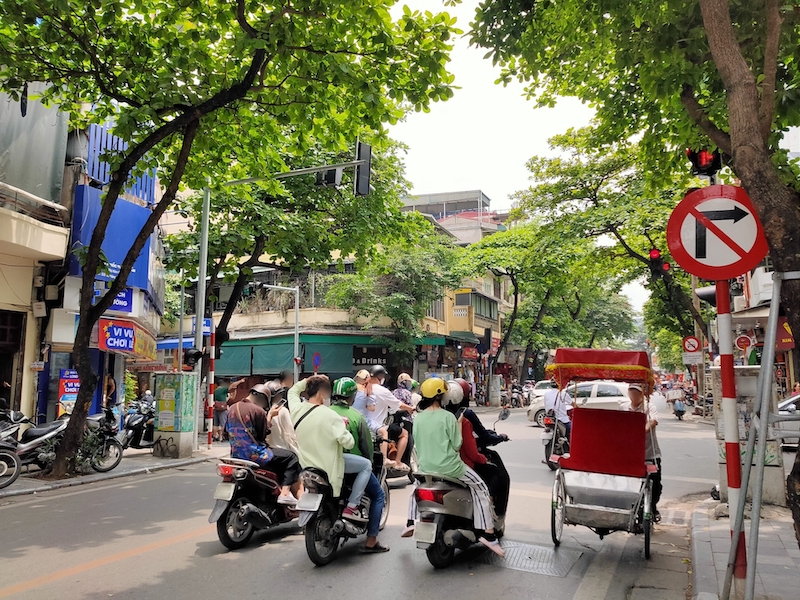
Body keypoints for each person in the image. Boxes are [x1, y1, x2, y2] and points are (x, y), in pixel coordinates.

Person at [402, 377, 504, 557]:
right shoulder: (448, 417)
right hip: (451, 468)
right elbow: (457, 445)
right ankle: (488, 533)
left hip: (425, 467)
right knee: (481, 488)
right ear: (441, 395)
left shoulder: (417, 418)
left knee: (416, 488)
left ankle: (410, 522)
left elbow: (417, 442)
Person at [288, 375, 370, 522]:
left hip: (306, 467)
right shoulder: (331, 416)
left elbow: (292, 391)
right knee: (366, 465)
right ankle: (352, 505)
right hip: (330, 470)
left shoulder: (296, 409)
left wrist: (309, 380)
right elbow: (349, 443)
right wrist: (343, 427)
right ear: (322, 393)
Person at [330, 377, 389, 552]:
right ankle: (371, 541)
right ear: (352, 397)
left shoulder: (325, 412)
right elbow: (366, 446)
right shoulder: (357, 416)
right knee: (378, 495)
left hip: (325, 464)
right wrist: (368, 459)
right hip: (351, 466)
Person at [226, 384, 302, 505]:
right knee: (291, 457)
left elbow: (227, 432)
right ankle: (285, 494)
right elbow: (263, 435)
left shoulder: (232, 408)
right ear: (261, 398)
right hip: (255, 455)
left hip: (236, 455)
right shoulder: (258, 411)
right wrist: (270, 416)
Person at [453, 379, 510, 529]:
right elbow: (474, 445)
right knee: (498, 475)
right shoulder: (465, 417)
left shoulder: (437, 415)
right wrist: (499, 438)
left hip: (439, 463)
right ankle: (492, 515)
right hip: (461, 462)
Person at [623, 383, 662, 522]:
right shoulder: (624, 407)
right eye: (631, 391)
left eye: (636, 392)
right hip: (630, 453)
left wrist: (640, 432)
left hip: (650, 453)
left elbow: (653, 421)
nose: (633, 395)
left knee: (656, 484)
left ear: (641, 394)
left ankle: (652, 507)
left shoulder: (649, 406)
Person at [367, 365, 414, 471]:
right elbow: (398, 405)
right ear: (380, 376)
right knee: (404, 434)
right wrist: (410, 408)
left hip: (365, 425)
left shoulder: (364, 388)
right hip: (379, 427)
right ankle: (397, 461)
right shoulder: (382, 391)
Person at [265, 381, 299, 454]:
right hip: (283, 450)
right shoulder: (282, 410)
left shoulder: (262, 411)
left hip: (267, 451)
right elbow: (291, 434)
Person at [212, 378, 229, 442]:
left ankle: (214, 436)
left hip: (216, 408)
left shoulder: (215, 391)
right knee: (223, 423)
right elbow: (231, 388)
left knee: (215, 424)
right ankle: (220, 436)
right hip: (222, 409)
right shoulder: (223, 389)